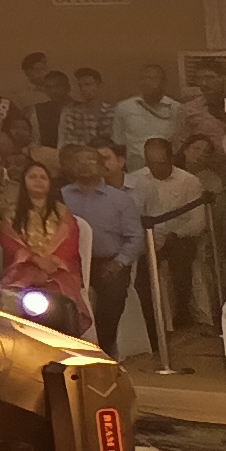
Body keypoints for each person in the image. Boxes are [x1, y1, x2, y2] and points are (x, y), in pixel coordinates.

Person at [67, 143, 145, 357]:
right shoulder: (60, 197)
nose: (85, 165)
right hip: (69, 263)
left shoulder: (120, 199)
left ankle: (104, 350)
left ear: (103, 168)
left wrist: (119, 263)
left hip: (109, 263)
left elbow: (136, 238)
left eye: (91, 161)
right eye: (79, 161)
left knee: (111, 300)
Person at [142, 137, 213, 360]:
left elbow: (198, 223)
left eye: (161, 163)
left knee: (181, 258)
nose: (156, 168)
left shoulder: (189, 182)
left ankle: (182, 313)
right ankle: (152, 325)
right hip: (146, 237)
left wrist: (172, 235)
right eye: (151, 163)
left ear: (171, 158)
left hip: (180, 237)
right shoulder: (136, 180)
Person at [11, 153, 90, 320]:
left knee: (58, 296)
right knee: (15, 296)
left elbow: (70, 243)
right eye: (32, 177)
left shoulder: (63, 213)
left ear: (49, 183)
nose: (38, 180)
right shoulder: (11, 214)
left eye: (43, 177)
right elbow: (11, 243)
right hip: (23, 269)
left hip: (59, 269)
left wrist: (52, 263)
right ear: (23, 182)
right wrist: (36, 261)